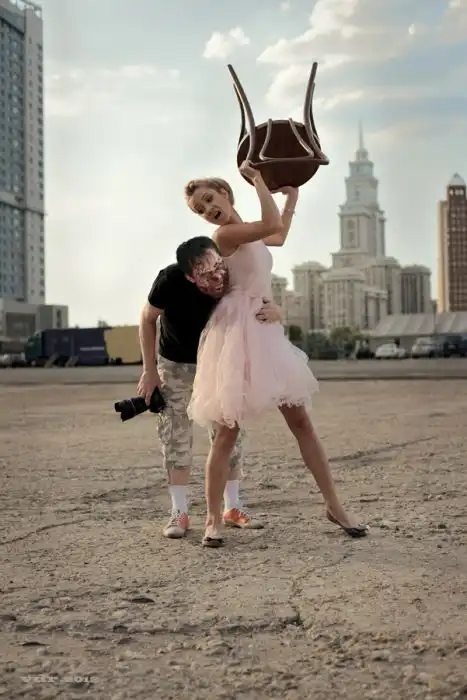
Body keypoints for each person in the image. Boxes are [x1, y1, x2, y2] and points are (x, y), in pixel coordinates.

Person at [183, 161, 369, 547]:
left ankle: (335, 506)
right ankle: (213, 519)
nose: (208, 209)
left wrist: (292, 197)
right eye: (200, 209)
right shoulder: (225, 234)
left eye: (210, 199)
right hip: (237, 335)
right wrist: (259, 181)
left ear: (224, 193)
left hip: (264, 331)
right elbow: (270, 225)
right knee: (227, 432)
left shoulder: (250, 233)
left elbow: (278, 235)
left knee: (301, 423)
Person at [137, 235, 282, 538]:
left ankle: (233, 507)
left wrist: (278, 312)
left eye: (218, 267)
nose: (217, 278)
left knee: (228, 432)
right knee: (174, 433)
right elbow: (147, 319)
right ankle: (179, 512)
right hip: (176, 364)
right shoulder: (169, 280)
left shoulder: (234, 273)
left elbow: (263, 301)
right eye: (205, 275)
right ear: (190, 277)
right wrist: (149, 371)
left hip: (219, 362)